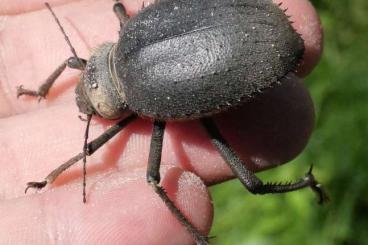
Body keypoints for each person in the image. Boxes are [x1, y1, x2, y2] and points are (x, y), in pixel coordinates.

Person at [0, 0, 323, 243]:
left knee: (232, 184)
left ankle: (199, 238)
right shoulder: (133, 30)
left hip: (260, 44)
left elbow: (110, 160)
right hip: (256, 21)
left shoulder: (144, 96)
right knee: (252, 183)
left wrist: (51, 176)